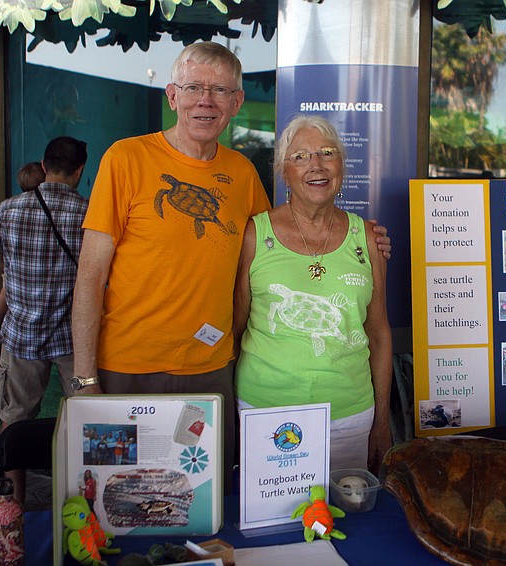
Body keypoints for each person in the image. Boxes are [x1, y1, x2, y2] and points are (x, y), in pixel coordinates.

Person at [71, 43, 390, 491]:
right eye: (195, 88)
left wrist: (366, 239)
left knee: (202, 500)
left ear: (236, 103)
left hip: (213, 371)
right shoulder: (125, 159)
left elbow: (275, 247)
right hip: (127, 368)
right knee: (119, 495)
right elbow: (89, 277)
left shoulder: (242, 174)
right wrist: (85, 379)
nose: (206, 100)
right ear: (172, 96)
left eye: (220, 90)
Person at [233, 114, 392, 473]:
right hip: (266, 410)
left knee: (346, 520)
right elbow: (237, 328)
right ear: (283, 172)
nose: (315, 165)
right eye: (300, 157)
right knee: (273, 522)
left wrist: (382, 422)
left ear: (341, 167)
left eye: (327, 152)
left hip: (350, 414)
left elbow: (379, 334)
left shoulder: (366, 237)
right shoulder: (254, 235)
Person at [0, 136, 88, 504]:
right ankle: (80, 503)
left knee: (15, 418)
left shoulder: (9, 209)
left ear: (44, 167)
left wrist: (19, 269)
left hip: (22, 334)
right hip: (71, 337)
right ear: (79, 171)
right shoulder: (88, 214)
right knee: (86, 417)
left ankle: (13, 501)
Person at [0, 161, 46, 354]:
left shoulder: (9, 208)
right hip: (43, 274)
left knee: (3, 296)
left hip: (15, 270)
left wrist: (9, 266)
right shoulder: (51, 210)